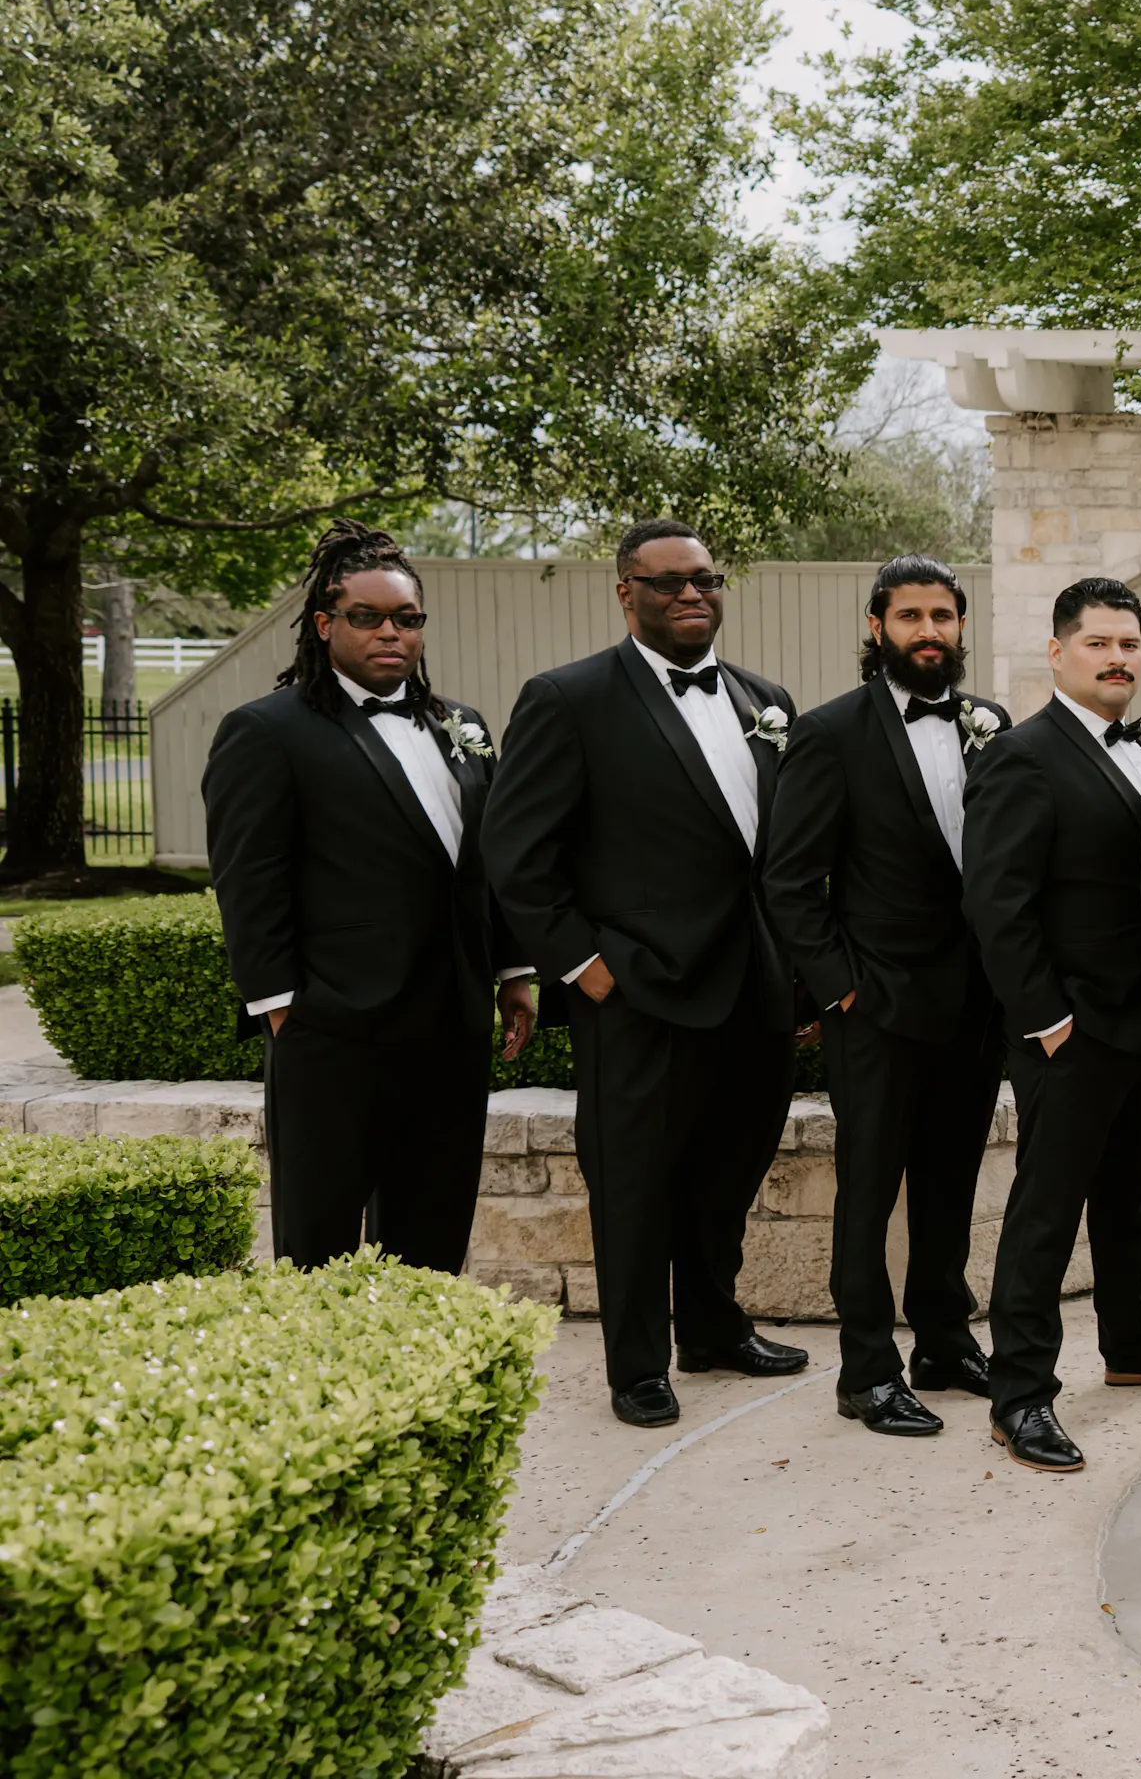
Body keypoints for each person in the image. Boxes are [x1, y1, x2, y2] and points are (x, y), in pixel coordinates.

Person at [488, 518, 806, 1429]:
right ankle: (637, 1361)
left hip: (755, 989)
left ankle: (712, 1326)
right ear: (625, 591)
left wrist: (799, 976)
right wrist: (584, 968)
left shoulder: (763, 698)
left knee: (730, 1169)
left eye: (703, 579)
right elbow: (516, 852)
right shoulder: (568, 698)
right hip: (635, 991)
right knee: (631, 1181)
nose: (690, 595)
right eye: (666, 583)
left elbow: (775, 854)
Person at [204, 522, 536, 1276]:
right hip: (334, 1029)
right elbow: (248, 879)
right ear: (325, 625)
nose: (391, 632)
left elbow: (488, 860)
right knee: (320, 1238)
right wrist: (284, 1009)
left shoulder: (464, 725)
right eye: (368, 617)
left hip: (452, 1023)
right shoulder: (266, 730)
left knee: (433, 1228)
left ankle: (418, 1377)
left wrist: (513, 972)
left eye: (407, 619)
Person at [758, 555, 1014, 1440]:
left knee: (950, 1183)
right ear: (878, 627)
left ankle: (945, 1338)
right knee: (867, 1192)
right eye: (911, 616)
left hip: (976, 1005)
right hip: (877, 1007)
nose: (930, 631)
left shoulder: (993, 725)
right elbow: (789, 882)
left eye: (943, 615)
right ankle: (868, 1369)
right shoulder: (830, 733)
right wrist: (842, 990)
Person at [964, 577, 1141, 1472]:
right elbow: (998, 903)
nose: (1117, 658)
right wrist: (1046, 1021)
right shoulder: (1022, 756)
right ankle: (1020, 1393)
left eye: (1128, 643)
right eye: (1098, 643)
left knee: (1129, 1201)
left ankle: (1133, 1341)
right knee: (1046, 1213)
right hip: (1071, 1029)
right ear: (1058, 653)